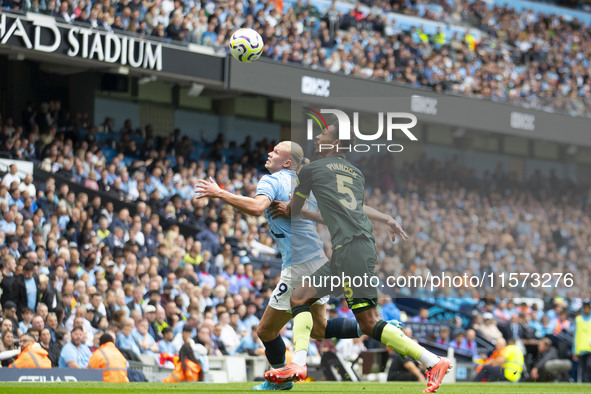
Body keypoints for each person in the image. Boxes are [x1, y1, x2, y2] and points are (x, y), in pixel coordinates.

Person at [264, 124, 450, 393]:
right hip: (358, 247)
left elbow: (293, 210)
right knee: (355, 318)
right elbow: (348, 211)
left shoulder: (312, 170)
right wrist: (385, 217)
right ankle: (434, 361)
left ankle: (299, 364)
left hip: (350, 249)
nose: (317, 137)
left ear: (335, 142)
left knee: (312, 302)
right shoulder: (355, 173)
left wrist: (289, 208)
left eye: (323, 134)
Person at [197, 141, 385, 390]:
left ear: (287, 162)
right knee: (319, 329)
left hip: (298, 265)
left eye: (275, 151)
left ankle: (280, 381)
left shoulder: (272, 180)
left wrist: (219, 192)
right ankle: (379, 327)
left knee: (265, 331)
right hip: (319, 260)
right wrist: (387, 218)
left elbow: (256, 208)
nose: (269, 153)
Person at [573, 299, 591, 382]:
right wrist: (574, 351)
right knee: (582, 368)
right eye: (585, 307)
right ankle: (584, 383)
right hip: (581, 348)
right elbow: (575, 335)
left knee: (589, 365)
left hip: (589, 349)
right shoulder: (578, 319)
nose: (586, 309)